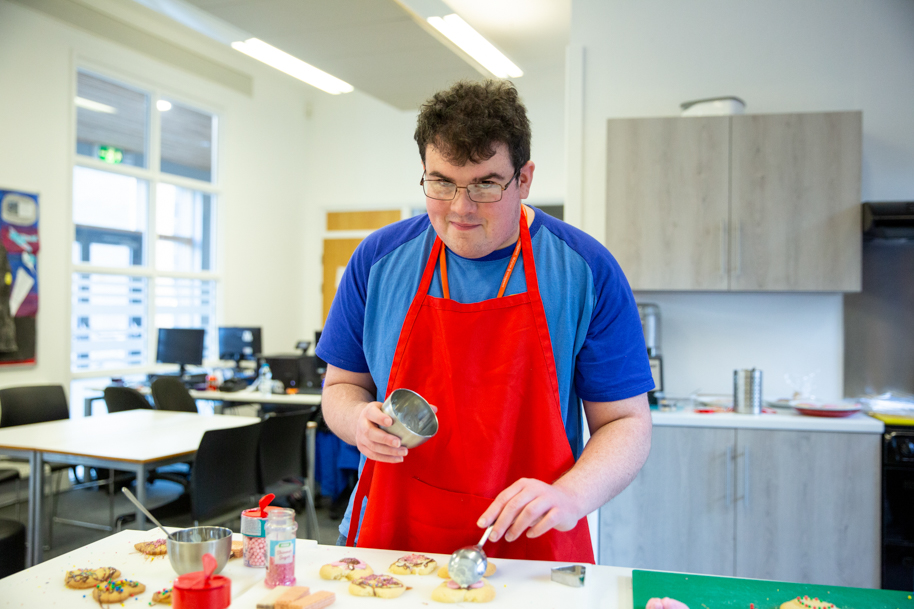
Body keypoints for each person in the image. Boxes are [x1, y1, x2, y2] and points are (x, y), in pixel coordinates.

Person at [316, 79, 654, 563]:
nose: (461, 208)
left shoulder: (584, 270)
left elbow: (626, 422)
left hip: (530, 544)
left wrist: (571, 496)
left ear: (524, 179)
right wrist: (356, 421)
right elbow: (340, 387)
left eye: (485, 184)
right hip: (392, 538)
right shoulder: (378, 260)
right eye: (442, 183)